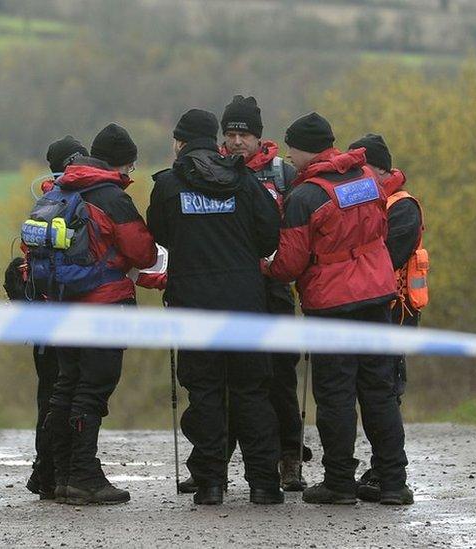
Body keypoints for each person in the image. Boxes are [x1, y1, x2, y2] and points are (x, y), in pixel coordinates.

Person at [266, 113, 412, 505]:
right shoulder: (366, 177)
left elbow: (290, 265)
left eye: (292, 149)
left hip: (333, 305)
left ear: (302, 148)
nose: (290, 158)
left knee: (335, 396)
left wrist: (265, 266)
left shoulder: (305, 197)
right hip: (377, 296)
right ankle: (394, 482)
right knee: (379, 392)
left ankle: (340, 483)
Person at [147, 108, 283, 505]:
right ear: (217, 139)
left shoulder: (169, 186)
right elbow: (269, 236)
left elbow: (159, 235)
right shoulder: (244, 181)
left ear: (179, 142)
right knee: (252, 392)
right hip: (245, 303)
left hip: (193, 306)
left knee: (204, 393)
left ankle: (209, 484)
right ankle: (264, 484)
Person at [45, 123, 158, 505]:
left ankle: (60, 476)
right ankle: (84, 476)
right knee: (92, 391)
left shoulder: (62, 188)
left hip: (61, 305)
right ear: (124, 165)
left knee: (66, 387)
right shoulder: (110, 196)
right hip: (104, 306)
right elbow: (143, 253)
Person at [220, 95, 308, 492]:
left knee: (279, 377)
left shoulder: (284, 174)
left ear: (259, 137)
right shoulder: (213, 170)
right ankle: (213, 462)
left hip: (273, 287)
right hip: (230, 290)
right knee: (224, 379)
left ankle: (290, 458)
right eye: (231, 133)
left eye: (245, 134)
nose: (237, 141)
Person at [5, 135, 88, 500]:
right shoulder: (79, 199)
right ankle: (56, 472)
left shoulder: (41, 202)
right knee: (66, 394)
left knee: (49, 396)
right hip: (68, 309)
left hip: (41, 314)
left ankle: (46, 472)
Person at [348, 133, 426, 502]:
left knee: (386, 392)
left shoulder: (402, 206)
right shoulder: (370, 200)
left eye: (362, 168)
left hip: (396, 310)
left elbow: (389, 256)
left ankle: (389, 470)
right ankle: (382, 467)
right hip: (373, 305)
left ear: (379, 167)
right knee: (373, 391)